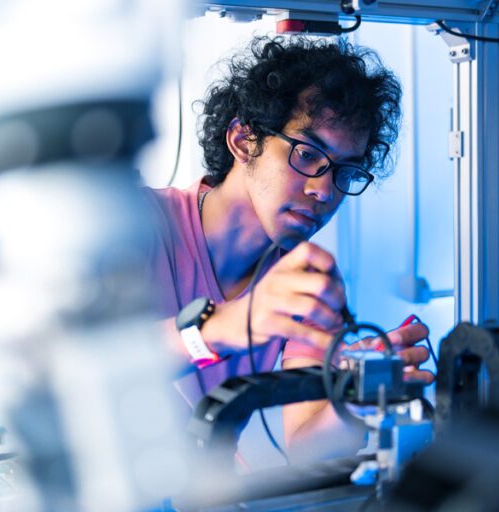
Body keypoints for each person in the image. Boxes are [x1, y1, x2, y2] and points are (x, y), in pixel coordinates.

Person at [147, 35, 433, 463]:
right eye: (308, 153)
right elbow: (82, 366)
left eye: (345, 171)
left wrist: (356, 399)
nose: (323, 189)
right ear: (244, 141)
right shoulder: (144, 224)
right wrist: (224, 326)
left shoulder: (303, 286)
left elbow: (306, 446)